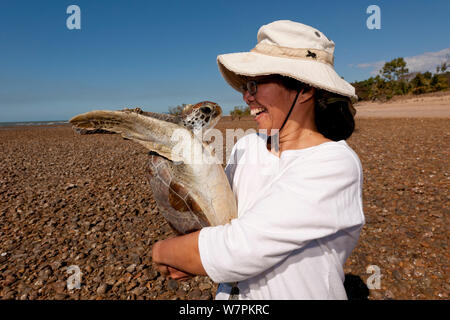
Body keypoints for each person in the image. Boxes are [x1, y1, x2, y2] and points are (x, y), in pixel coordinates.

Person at [152, 20, 365, 300]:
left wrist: (163, 251)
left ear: (305, 89)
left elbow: (239, 249)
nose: (246, 96)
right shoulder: (246, 146)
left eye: (255, 84)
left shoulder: (334, 164)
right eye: (244, 85)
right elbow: (218, 221)